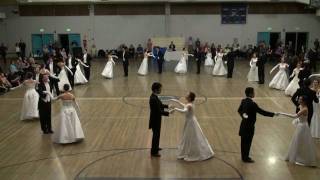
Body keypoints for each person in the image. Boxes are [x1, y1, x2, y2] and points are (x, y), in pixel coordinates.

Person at [170, 92, 214, 161]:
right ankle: (190, 150)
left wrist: (175, 109)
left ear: (190, 98)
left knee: (190, 137)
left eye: (187, 95)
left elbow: (184, 111)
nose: (185, 96)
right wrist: (177, 101)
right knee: (191, 136)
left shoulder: (189, 105)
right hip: (191, 121)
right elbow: (184, 106)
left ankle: (192, 152)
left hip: (190, 123)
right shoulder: (190, 104)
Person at [238, 87, 277, 163]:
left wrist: (243, 116)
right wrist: (273, 114)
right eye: (253, 92)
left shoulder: (243, 101)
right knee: (248, 142)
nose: (254, 93)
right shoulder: (253, 104)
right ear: (250, 93)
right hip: (249, 127)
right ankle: (246, 158)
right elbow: (262, 112)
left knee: (243, 142)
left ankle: (243, 157)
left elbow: (239, 110)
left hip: (243, 125)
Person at [279, 96, 317, 167]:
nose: (298, 100)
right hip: (300, 125)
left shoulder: (305, 109)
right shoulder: (300, 106)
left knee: (300, 142)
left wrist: (282, 113)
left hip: (303, 127)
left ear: (303, 101)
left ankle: (301, 158)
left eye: (300, 99)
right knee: (297, 141)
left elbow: (294, 116)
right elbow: (300, 116)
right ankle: (296, 156)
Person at [149, 82, 171, 157]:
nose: (161, 90)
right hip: (155, 120)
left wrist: (168, 106)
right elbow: (158, 111)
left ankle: (156, 147)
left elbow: (160, 105)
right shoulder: (153, 99)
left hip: (157, 119)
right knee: (155, 135)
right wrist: (168, 113)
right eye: (160, 89)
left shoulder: (155, 97)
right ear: (156, 89)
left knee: (157, 135)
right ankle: (154, 152)